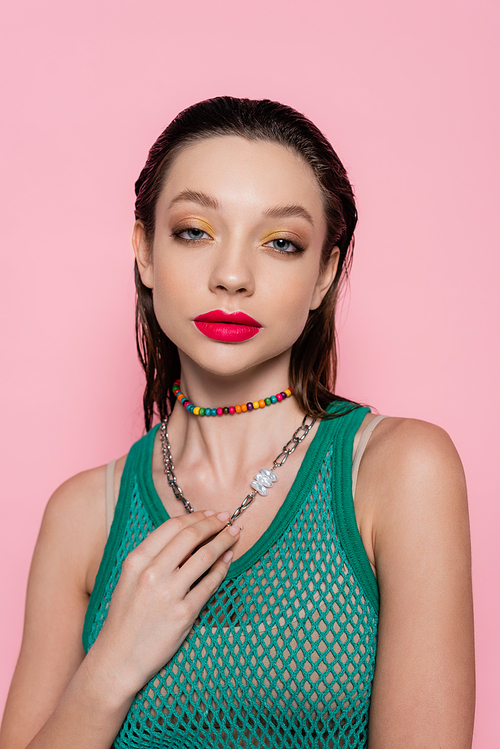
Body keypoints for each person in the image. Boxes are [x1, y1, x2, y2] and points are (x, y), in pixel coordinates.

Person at [0, 97, 474, 749]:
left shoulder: (399, 470)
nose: (232, 276)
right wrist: (110, 668)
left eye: (281, 242)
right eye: (195, 230)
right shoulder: (84, 512)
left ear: (322, 276)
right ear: (143, 250)